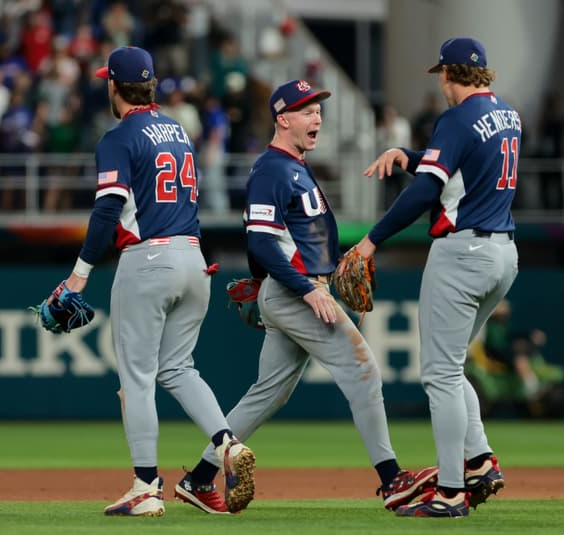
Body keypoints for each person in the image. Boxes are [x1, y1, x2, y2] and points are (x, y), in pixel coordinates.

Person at [175, 79, 438, 515]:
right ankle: (393, 481)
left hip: (292, 289)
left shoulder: (294, 165)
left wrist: (279, 284)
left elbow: (278, 239)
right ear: (282, 119)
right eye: (306, 111)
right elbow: (259, 242)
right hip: (298, 292)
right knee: (364, 372)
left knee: (267, 394)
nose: (317, 117)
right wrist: (301, 289)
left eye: (318, 110)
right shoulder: (271, 169)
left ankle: (199, 479)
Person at [49, 45, 255, 517]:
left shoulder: (118, 136)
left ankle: (145, 487)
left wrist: (78, 276)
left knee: (137, 378)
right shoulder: (179, 130)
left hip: (148, 259)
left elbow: (106, 210)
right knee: (179, 369)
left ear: (112, 86)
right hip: (194, 259)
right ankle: (225, 443)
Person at [354, 37, 520, 517]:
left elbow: (429, 190)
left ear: (449, 74)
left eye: (441, 74)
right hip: (502, 255)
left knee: (440, 374)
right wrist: (413, 155)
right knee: (450, 367)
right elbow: (462, 165)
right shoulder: (507, 115)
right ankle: (482, 461)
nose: (441, 84)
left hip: (462, 253)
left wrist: (372, 239)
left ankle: (451, 492)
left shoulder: (456, 118)